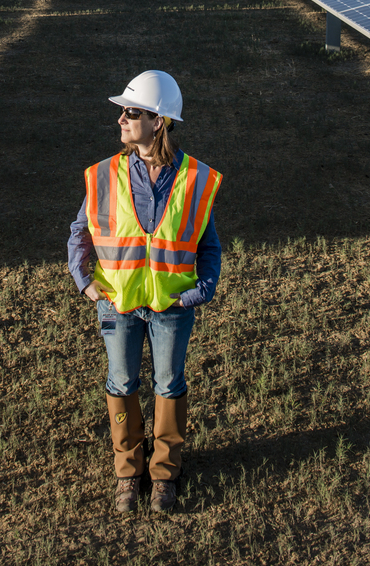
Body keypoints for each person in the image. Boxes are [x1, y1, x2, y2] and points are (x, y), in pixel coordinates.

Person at [67, 70, 222, 514]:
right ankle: (127, 471)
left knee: (169, 384)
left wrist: (199, 291)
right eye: (121, 111)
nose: (121, 119)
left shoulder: (194, 178)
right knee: (121, 381)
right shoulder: (104, 175)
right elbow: (81, 232)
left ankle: (164, 475)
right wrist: (85, 282)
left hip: (173, 306)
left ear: (159, 122)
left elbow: (207, 244)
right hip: (118, 305)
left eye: (131, 112)